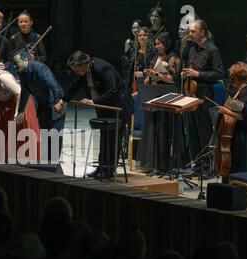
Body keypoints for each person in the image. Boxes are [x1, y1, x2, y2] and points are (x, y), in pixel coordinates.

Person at [61, 51, 134, 179]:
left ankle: (108, 170)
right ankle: (101, 167)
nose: (76, 72)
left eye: (77, 69)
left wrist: (93, 101)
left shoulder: (103, 69)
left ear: (85, 63)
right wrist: (62, 102)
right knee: (104, 137)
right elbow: (74, 86)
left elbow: (112, 91)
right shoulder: (84, 71)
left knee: (112, 139)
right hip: (103, 107)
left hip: (119, 106)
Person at [182, 20, 224, 174]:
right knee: (192, 132)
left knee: (204, 133)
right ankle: (197, 165)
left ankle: (207, 168)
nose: (190, 34)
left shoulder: (212, 50)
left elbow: (219, 73)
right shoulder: (192, 49)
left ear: (203, 32)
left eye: (193, 31)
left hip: (204, 97)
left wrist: (197, 74)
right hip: (190, 95)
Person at [138, 32, 180, 175]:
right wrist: (147, 77)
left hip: (166, 97)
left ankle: (163, 166)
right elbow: (150, 74)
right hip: (153, 95)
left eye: (159, 44)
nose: (156, 46)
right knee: (152, 129)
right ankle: (152, 164)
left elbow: (175, 80)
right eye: (155, 44)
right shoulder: (155, 56)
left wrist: (156, 75)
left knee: (163, 130)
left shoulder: (173, 58)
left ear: (166, 44)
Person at [12, 51, 65, 162]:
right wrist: (21, 110)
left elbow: (54, 85)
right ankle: (46, 164)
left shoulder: (39, 67)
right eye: (13, 63)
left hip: (54, 104)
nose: (14, 66)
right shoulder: (22, 72)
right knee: (44, 136)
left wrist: (58, 102)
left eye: (16, 62)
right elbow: (25, 91)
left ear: (25, 60)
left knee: (54, 136)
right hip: (42, 106)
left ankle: (54, 165)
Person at [213, 62, 247, 176]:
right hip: (237, 135)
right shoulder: (238, 91)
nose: (230, 81)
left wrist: (226, 111)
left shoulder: (245, 93)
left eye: (232, 78)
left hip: (244, 139)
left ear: (237, 79)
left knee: (240, 170)